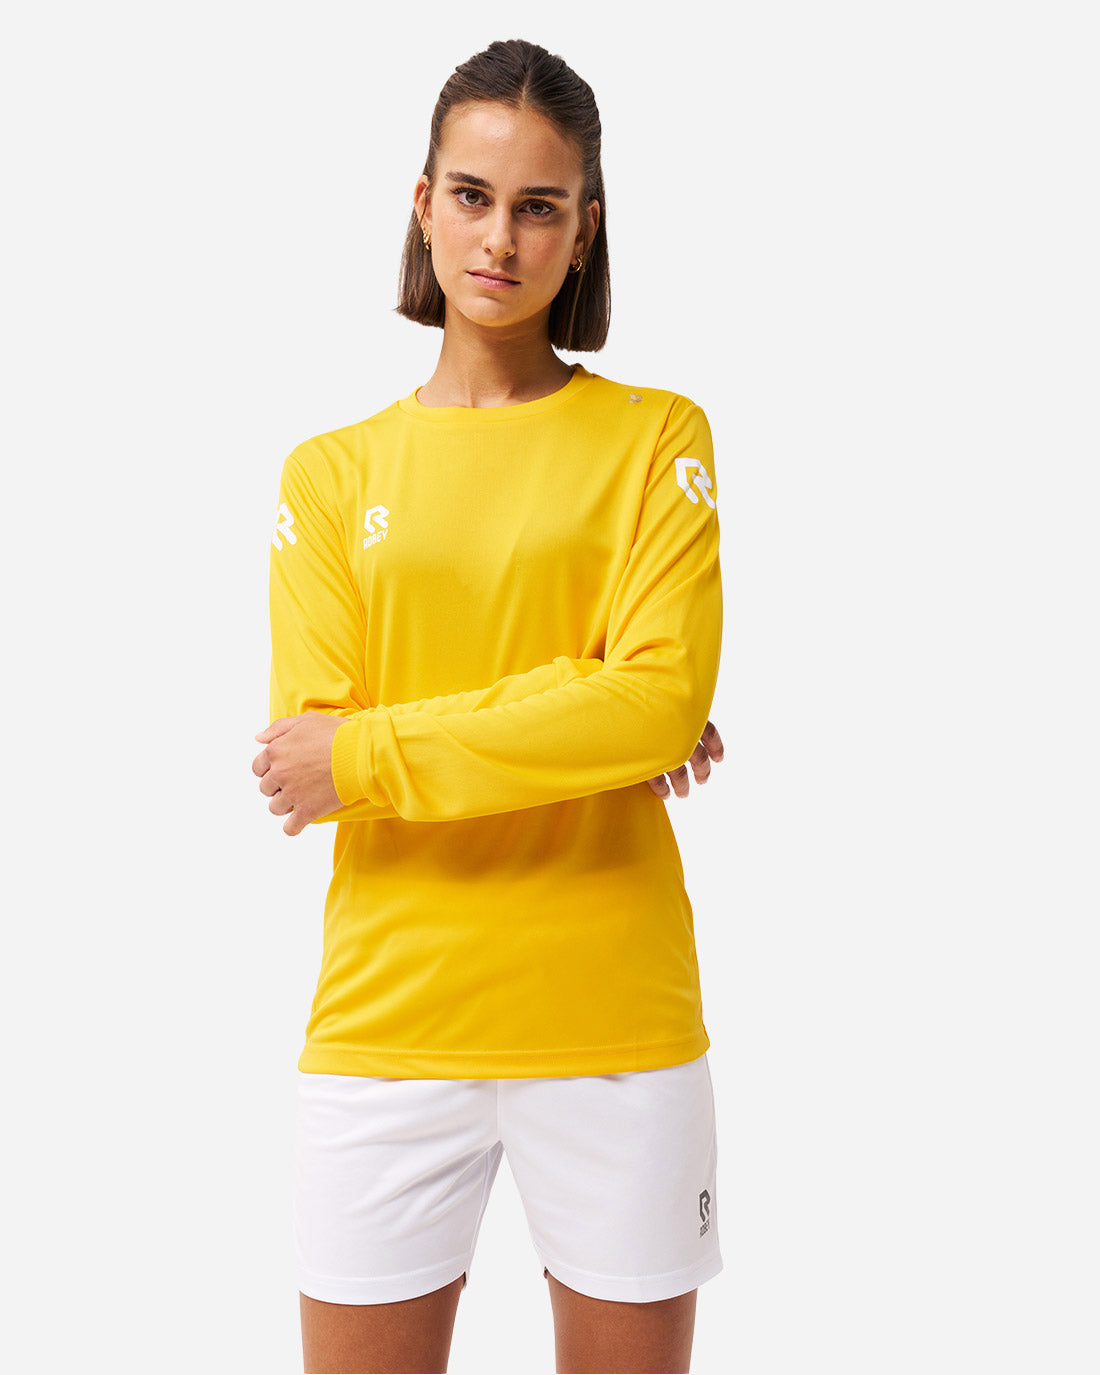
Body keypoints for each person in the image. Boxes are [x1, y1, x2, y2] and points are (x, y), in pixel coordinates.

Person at [252, 38, 726, 1374]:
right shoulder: (331, 475)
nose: (501, 239)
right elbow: (304, 752)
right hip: (388, 1021)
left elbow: (654, 705)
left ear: (586, 227)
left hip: (615, 1023)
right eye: (472, 196)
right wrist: (590, 712)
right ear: (424, 205)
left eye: (538, 205)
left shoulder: (657, 438)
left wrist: (379, 749)